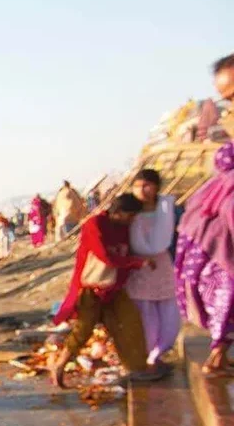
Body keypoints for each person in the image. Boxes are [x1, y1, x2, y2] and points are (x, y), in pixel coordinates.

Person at [49, 194, 163, 388]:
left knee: (130, 324)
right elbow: (105, 257)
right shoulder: (94, 225)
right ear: (117, 212)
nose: (132, 220)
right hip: (91, 289)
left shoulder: (124, 227)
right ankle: (60, 365)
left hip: (115, 288)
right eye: (130, 215)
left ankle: (137, 368)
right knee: (82, 330)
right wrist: (138, 263)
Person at [174, 141, 234, 374]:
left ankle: (219, 356)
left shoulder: (208, 188)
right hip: (222, 260)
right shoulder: (230, 187)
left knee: (221, 309)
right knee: (227, 307)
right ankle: (216, 359)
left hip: (198, 261)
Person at [127, 169, 181, 366]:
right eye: (138, 185)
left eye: (147, 185)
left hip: (163, 265)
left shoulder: (169, 209)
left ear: (157, 186)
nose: (142, 190)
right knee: (145, 314)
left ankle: (160, 350)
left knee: (169, 313)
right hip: (138, 268)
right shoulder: (128, 210)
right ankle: (149, 354)